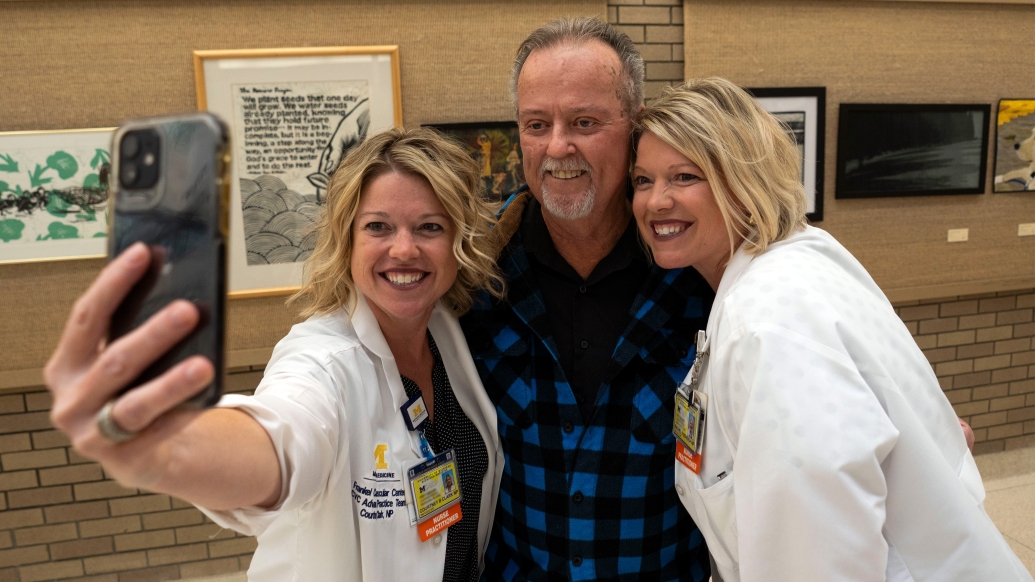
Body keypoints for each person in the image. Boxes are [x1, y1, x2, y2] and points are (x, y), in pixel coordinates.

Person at [44, 127, 507, 582]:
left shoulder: (452, 335)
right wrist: (168, 450)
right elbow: (284, 437)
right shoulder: (323, 361)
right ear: (346, 240)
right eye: (377, 226)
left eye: (429, 227)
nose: (404, 249)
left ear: (457, 241)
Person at [630, 77, 1033, 582]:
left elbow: (816, 554)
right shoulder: (799, 258)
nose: (655, 201)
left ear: (741, 178)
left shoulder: (768, 320)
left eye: (684, 177)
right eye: (643, 181)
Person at [461, 18, 713, 580]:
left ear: (634, 127)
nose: (556, 146)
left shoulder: (699, 272)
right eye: (536, 123)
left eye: (584, 121)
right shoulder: (473, 277)